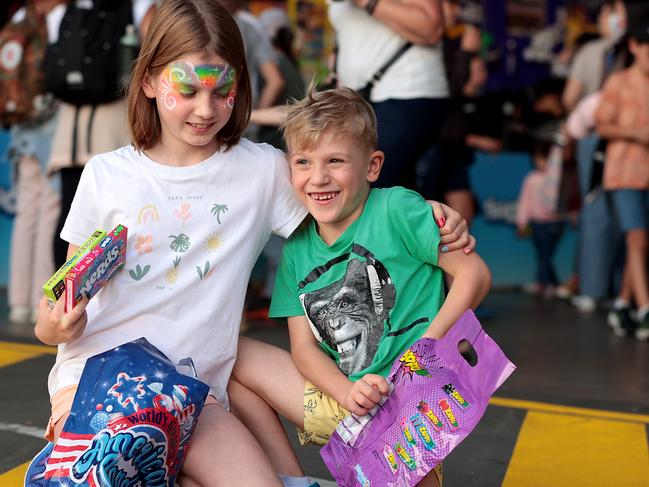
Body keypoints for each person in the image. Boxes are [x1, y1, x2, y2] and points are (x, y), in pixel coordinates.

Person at [33, 1, 474, 485]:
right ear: (148, 82)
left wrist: (429, 210)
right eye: (187, 88)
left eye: (222, 89)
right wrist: (57, 326)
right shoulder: (105, 175)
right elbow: (55, 317)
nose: (206, 108)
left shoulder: (262, 170)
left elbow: (348, 199)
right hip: (101, 388)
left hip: (196, 398)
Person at [228, 88, 491, 487]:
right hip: (347, 399)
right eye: (303, 162)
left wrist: (421, 356)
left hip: (412, 407)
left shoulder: (398, 209)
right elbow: (302, 348)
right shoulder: (297, 248)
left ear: (372, 166)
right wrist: (347, 392)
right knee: (231, 356)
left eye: (335, 161)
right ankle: (294, 481)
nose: (318, 177)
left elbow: (475, 276)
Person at [48, 0, 156, 269]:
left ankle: (65, 298)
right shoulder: (141, 7)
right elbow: (157, 55)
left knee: (70, 219)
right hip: (114, 123)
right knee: (120, 215)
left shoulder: (62, 11)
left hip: (71, 128)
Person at [327, 0, 449, 193]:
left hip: (408, 92)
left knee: (366, 180)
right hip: (361, 98)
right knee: (393, 189)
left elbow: (431, 28)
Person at [560, 0, 628, 310]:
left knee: (596, 210)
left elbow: (569, 97)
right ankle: (625, 293)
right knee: (629, 212)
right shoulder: (638, 49)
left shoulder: (594, 51)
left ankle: (593, 288)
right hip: (635, 137)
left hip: (595, 137)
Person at [595, 13, 649, 341]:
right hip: (624, 172)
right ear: (634, 46)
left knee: (639, 244)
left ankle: (622, 305)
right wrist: (636, 133)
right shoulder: (618, 82)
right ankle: (645, 308)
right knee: (637, 239)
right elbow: (602, 125)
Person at [516, 138, 567, 296]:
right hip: (537, 223)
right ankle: (552, 283)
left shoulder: (558, 178)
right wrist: (522, 222)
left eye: (543, 158)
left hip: (554, 222)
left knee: (546, 255)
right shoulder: (531, 178)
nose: (539, 162)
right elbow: (524, 201)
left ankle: (543, 283)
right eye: (536, 159)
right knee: (543, 255)